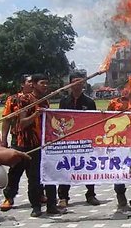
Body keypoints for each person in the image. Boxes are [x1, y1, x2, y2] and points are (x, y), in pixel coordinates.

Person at [0, 73, 64, 217]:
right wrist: (3, 140)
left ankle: (51, 204)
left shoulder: (45, 100)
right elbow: (18, 122)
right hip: (23, 143)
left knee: (44, 174)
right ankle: (23, 202)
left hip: (42, 143)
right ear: (32, 84)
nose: (46, 86)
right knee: (18, 172)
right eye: (42, 83)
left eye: (47, 83)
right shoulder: (21, 99)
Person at [57, 72, 100, 208]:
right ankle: (63, 197)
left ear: (84, 83)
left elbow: (93, 121)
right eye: (75, 81)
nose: (78, 84)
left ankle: (91, 194)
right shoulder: (64, 101)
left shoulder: (89, 102)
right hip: (68, 142)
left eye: (81, 81)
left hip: (85, 141)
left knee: (88, 168)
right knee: (66, 168)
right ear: (70, 83)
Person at [108, 83, 131, 212]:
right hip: (118, 143)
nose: (129, 91)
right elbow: (106, 119)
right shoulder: (114, 103)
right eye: (126, 88)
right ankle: (120, 194)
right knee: (118, 171)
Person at [1, 74, 33, 148]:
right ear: (22, 84)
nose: (32, 84)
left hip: (36, 137)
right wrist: (4, 140)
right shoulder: (13, 99)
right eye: (29, 82)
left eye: (33, 82)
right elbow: (6, 120)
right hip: (18, 137)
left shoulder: (39, 99)